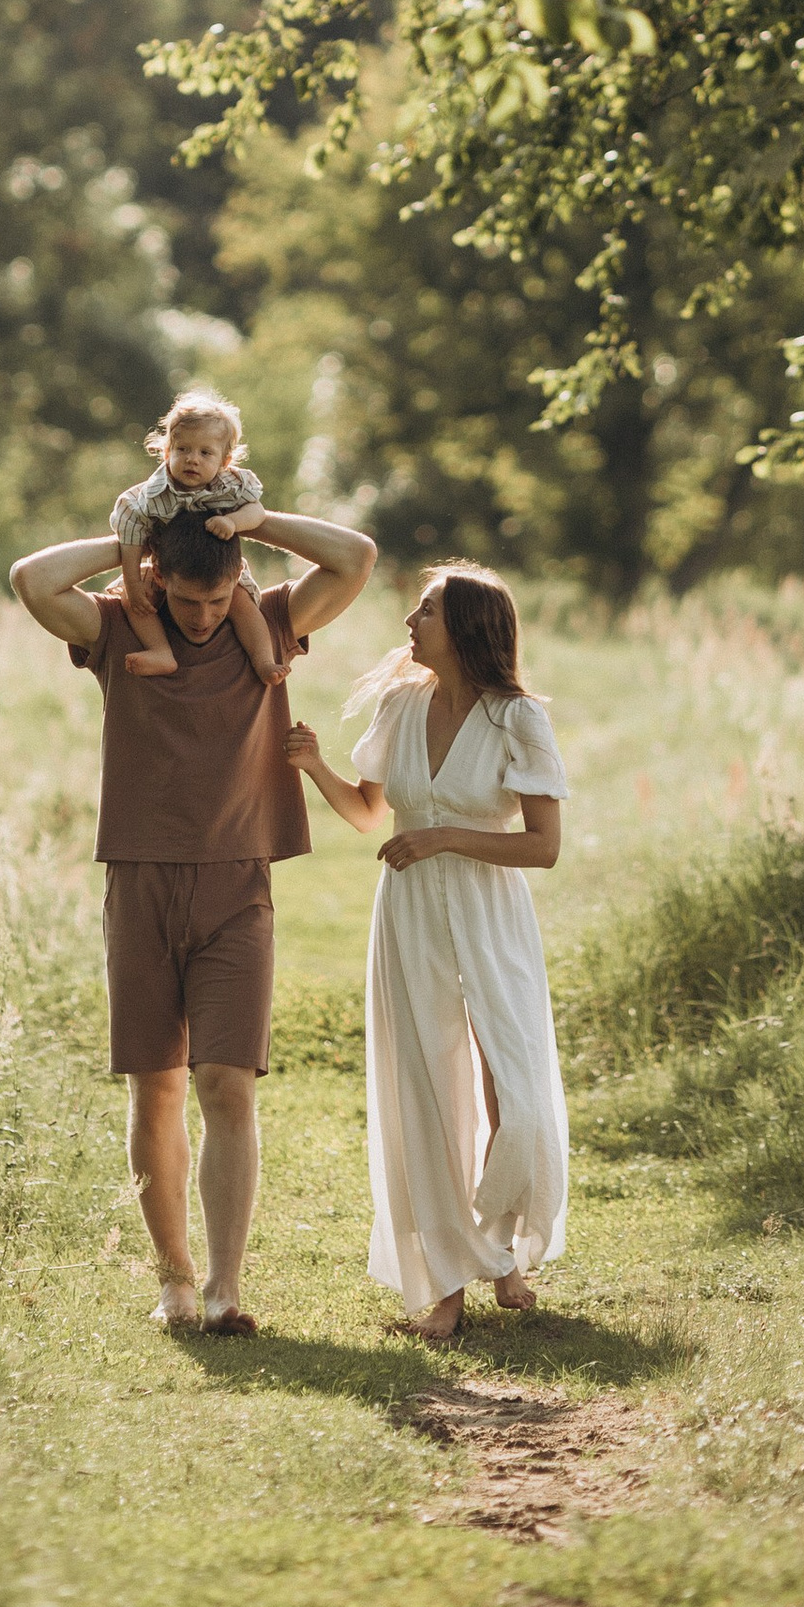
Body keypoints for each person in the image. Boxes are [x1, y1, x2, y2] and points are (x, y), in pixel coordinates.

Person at [11, 484, 377, 1331]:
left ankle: (225, 1288)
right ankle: (174, 1279)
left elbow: (355, 559)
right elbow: (32, 580)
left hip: (238, 880)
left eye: (219, 597)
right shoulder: (115, 628)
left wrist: (252, 523)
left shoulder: (272, 623)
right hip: (139, 878)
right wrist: (134, 545)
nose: (206, 615)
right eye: (187, 597)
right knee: (157, 1088)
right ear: (159, 580)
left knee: (226, 1083)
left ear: (241, 580)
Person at [288, 561, 569, 1341]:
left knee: (512, 1089)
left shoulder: (518, 720)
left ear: (468, 629)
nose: (410, 621)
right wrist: (315, 767)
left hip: (491, 916)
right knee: (427, 1091)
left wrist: (446, 836)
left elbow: (544, 848)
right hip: (409, 916)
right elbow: (367, 814)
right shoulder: (401, 705)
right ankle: (448, 1286)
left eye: (428, 610)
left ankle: (503, 1247)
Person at [110, 385, 276, 682]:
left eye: (205, 452)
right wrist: (133, 582)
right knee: (133, 599)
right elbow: (131, 534)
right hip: (166, 570)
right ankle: (161, 651)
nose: (192, 459)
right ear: (166, 452)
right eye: (182, 449)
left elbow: (258, 513)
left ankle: (264, 661)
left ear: (225, 461)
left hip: (218, 572)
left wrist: (234, 522)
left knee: (241, 603)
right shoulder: (150, 496)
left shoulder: (230, 486)